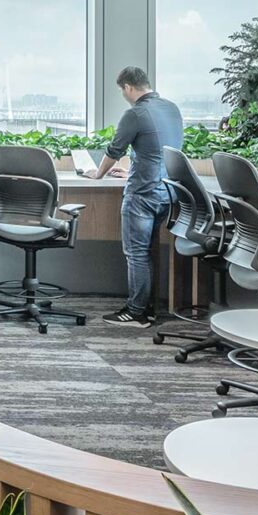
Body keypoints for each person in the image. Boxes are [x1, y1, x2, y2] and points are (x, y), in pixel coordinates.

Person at [81, 67, 183, 328]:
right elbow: (159, 151)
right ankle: (147, 308)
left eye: (122, 90)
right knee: (147, 252)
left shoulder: (135, 113)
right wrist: (131, 169)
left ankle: (137, 312)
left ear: (128, 87)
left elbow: (114, 149)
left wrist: (99, 174)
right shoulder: (171, 109)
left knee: (136, 253)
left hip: (142, 194)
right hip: (168, 192)